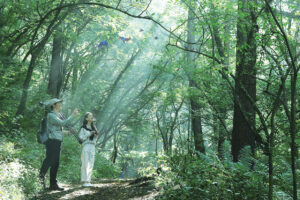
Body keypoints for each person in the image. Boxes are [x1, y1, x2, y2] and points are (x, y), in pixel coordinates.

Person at [39, 98, 78, 191]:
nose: (61, 104)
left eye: (61, 103)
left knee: (55, 163)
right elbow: (62, 123)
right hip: (52, 141)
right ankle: (41, 180)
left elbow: (57, 130)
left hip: (57, 141)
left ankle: (53, 184)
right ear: (53, 105)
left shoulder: (57, 115)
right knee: (49, 160)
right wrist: (72, 116)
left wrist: (67, 133)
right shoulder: (51, 115)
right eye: (59, 103)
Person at [79, 112, 99, 187]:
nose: (91, 117)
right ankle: (84, 181)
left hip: (92, 146)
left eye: (92, 116)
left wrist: (95, 136)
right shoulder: (83, 128)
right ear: (86, 118)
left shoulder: (94, 127)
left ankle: (88, 180)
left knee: (91, 163)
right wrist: (89, 134)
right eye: (90, 116)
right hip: (86, 146)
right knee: (85, 163)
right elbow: (81, 137)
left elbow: (96, 138)